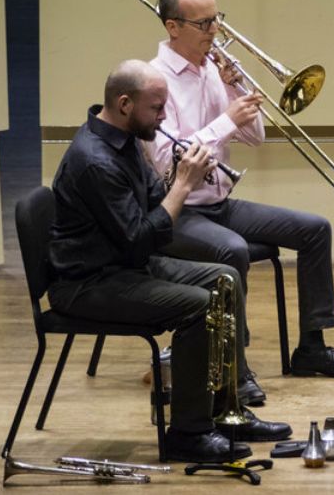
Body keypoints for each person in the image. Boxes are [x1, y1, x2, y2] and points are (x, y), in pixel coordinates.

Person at [146, 0, 334, 405]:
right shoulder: (154, 80)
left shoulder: (212, 69)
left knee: (315, 229)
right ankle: (236, 366)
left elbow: (253, 138)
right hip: (177, 212)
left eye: (218, 19)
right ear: (173, 27)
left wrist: (234, 92)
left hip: (219, 202)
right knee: (231, 251)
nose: (215, 30)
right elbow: (168, 160)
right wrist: (226, 119)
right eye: (203, 23)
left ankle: (312, 348)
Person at [48, 60, 292, 462]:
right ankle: (188, 433)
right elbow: (141, 241)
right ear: (125, 104)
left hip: (123, 266)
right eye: (157, 108)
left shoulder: (123, 140)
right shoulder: (96, 161)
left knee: (225, 278)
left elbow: (148, 207)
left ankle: (226, 409)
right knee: (199, 306)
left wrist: (179, 174)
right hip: (89, 283)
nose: (164, 117)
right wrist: (183, 185)